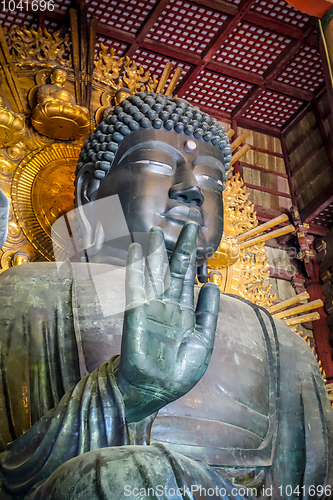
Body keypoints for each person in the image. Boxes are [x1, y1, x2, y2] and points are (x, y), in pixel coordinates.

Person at [0, 93, 332, 500]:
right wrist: (124, 396)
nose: (191, 189)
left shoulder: (279, 343)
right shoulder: (25, 296)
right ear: (90, 188)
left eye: (211, 180)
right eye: (157, 164)